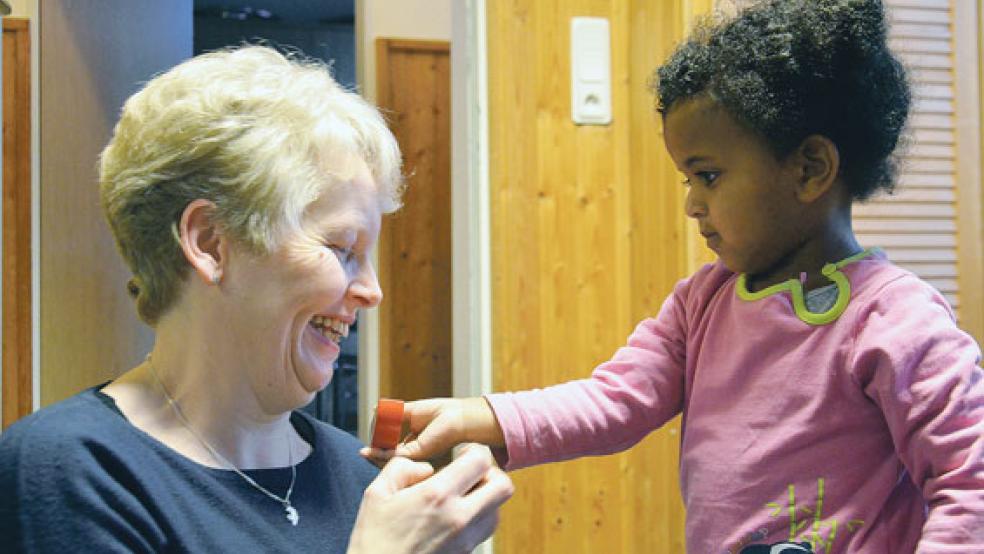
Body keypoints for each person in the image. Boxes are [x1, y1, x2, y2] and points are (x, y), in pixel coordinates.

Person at [364, 1, 984, 552]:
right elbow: (615, 400)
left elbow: (969, 482)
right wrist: (478, 415)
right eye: (687, 179)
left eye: (707, 175)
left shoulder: (896, 320)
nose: (691, 204)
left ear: (809, 168)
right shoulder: (702, 302)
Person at [0, 46, 512, 553]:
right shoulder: (73, 469)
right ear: (210, 243)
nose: (372, 292)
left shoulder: (363, 481)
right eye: (342, 248)